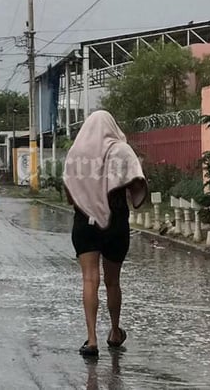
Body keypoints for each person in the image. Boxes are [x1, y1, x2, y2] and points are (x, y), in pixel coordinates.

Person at [63, 110, 148, 357]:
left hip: (84, 222)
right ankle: (113, 331)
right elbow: (137, 184)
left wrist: (88, 195)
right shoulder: (122, 150)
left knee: (90, 279)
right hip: (115, 222)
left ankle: (91, 340)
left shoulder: (76, 153)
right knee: (112, 281)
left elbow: (69, 193)